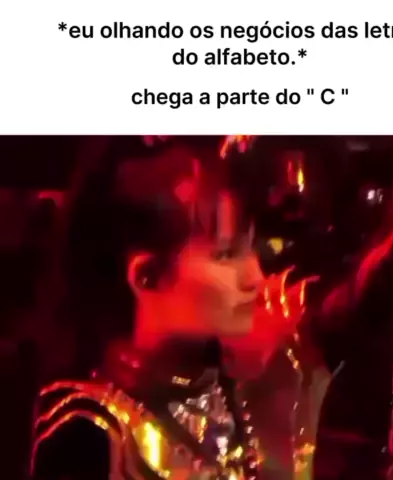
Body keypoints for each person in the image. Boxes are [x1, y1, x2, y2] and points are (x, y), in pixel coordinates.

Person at [30, 136, 309, 480]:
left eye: (251, 248)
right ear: (146, 276)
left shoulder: (227, 389)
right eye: (225, 254)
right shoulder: (90, 430)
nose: (255, 277)